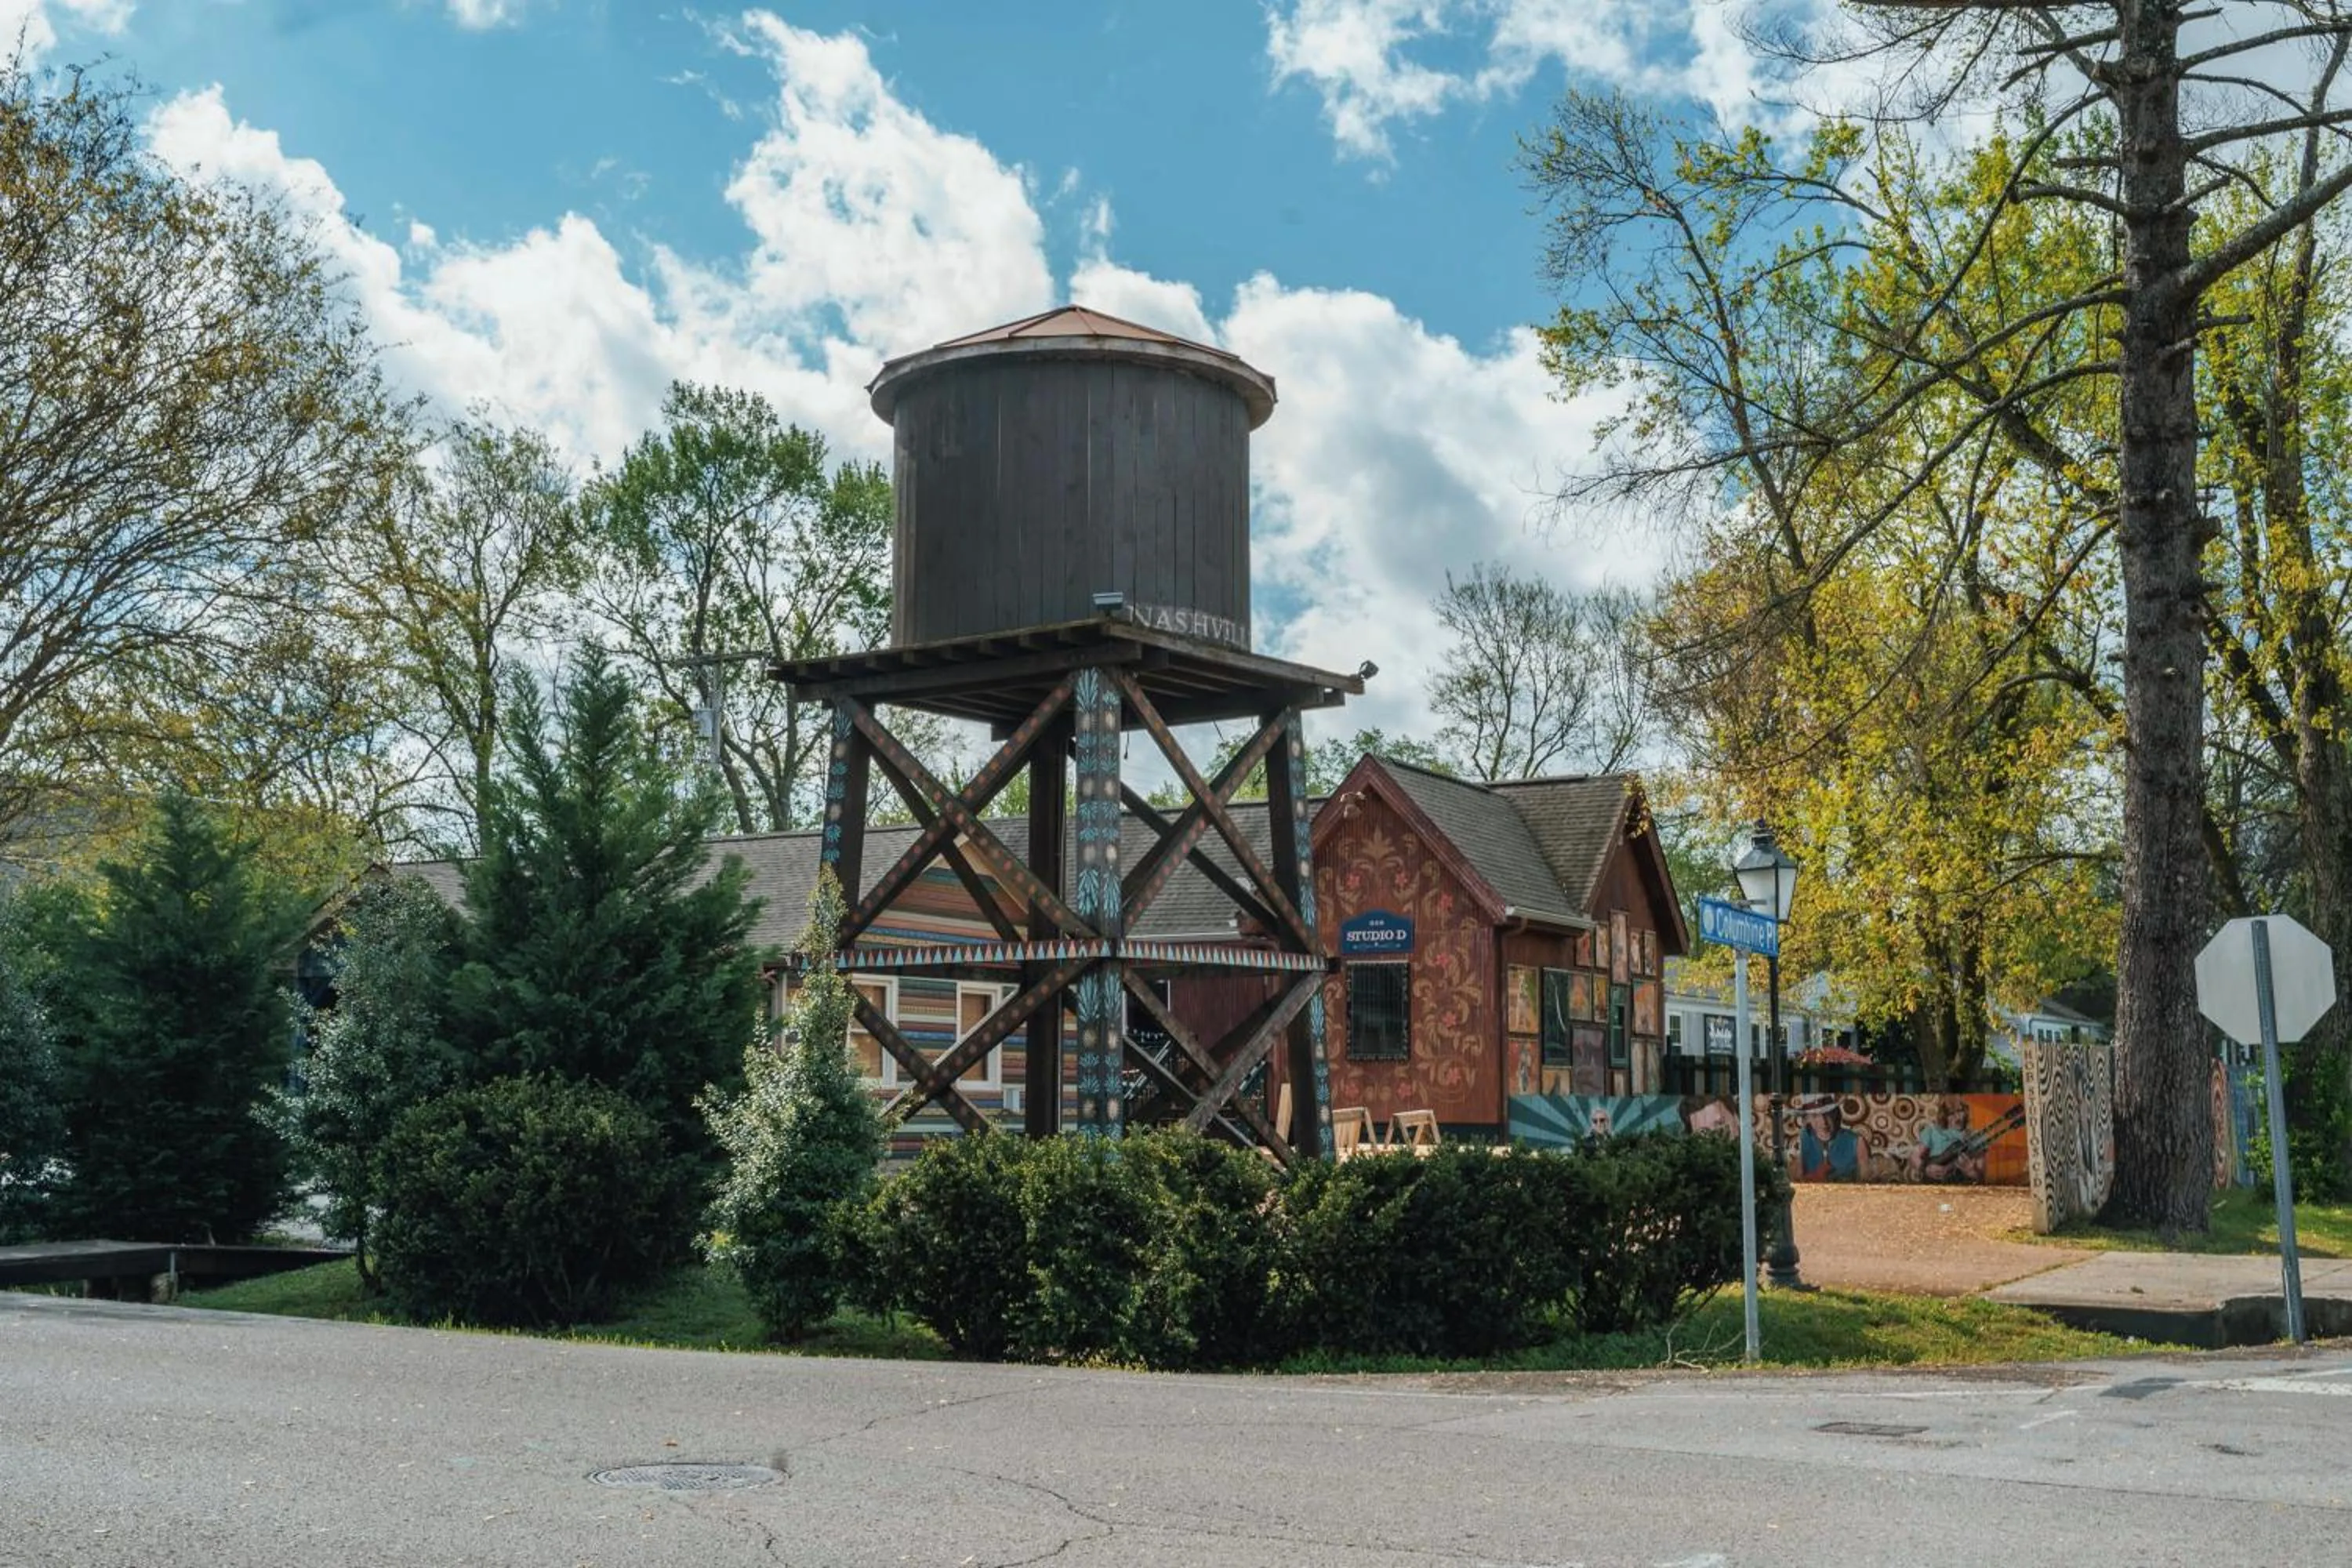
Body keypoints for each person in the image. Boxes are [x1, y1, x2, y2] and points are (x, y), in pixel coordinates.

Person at [1907, 1097, 1986, 1183]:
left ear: (1965, 1111)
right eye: (1951, 1113)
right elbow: (1913, 1156)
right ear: (1944, 1115)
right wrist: (1926, 1169)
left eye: (1960, 1111)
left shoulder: (1976, 1136)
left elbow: (1981, 1176)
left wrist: (1970, 1171)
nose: (1957, 1117)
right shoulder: (1932, 1131)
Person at [1796, 1094, 1865, 1181]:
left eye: (1828, 1114)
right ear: (1807, 1120)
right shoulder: (1804, 1138)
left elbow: (1866, 1183)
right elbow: (1798, 1180)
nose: (1824, 1122)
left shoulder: (1857, 1142)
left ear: (1836, 1114)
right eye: (1815, 1116)